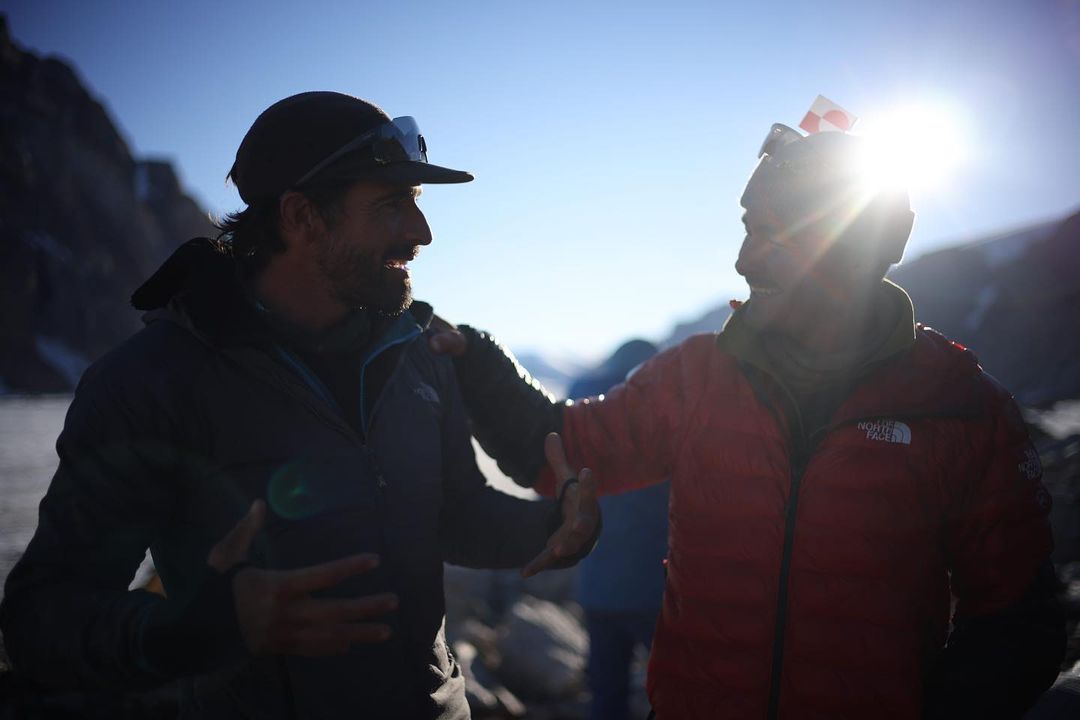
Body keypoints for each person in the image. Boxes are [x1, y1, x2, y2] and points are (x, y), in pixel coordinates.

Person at [429, 122, 1065, 719]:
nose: (744, 260)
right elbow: (563, 448)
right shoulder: (697, 376)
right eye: (747, 228)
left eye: (775, 235)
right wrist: (473, 360)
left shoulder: (961, 406)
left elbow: (1017, 621)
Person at [0, 91, 599, 720]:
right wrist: (199, 627)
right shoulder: (153, 381)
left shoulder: (419, 350)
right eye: (391, 204)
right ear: (302, 215)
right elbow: (41, 621)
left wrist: (555, 527)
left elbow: (456, 513)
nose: (422, 233)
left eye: (416, 202)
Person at [568, 340, 669, 720]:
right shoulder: (664, 407)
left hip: (597, 584)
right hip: (655, 588)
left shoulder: (582, 401)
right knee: (676, 691)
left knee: (607, 692)